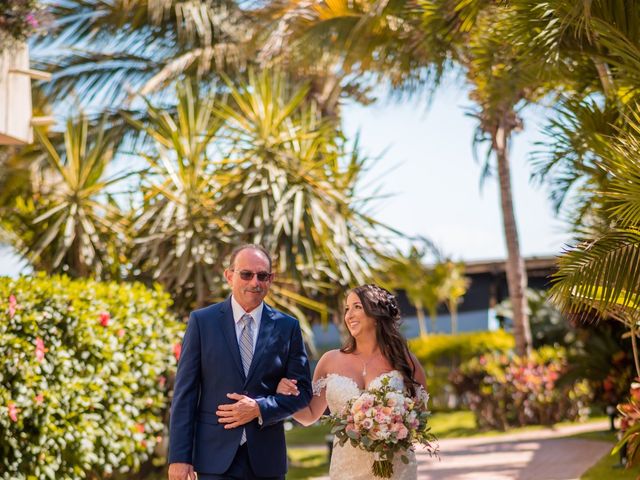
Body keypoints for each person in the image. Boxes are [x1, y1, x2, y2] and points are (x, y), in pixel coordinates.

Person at [168, 244, 312, 480]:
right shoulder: (202, 322)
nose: (255, 282)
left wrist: (259, 407)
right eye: (246, 274)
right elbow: (185, 394)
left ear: (270, 279)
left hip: (267, 461)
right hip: (213, 460)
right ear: (229, 276)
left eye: (262, 276)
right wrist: (180, 457)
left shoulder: (288, 327)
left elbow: (303, 393)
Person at [276, 284, 427, 480]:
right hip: (347, 469)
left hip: (396, 467)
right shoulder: (329, 361)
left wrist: (391, 426)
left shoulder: (403, 360)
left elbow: (420, 414)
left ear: (377, 313)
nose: (349, 315)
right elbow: (309, 415)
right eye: (347, 308)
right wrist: (284, 395)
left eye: (357, 307)